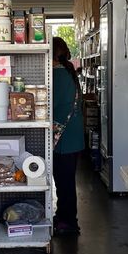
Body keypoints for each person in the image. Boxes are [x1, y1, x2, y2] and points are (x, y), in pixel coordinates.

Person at [52, 36, 84, 235]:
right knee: (67, 181)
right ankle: (65, 216)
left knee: (63, 182)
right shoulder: (68, 73)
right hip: (72, 137)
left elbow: (51, 107)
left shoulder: (56, 76)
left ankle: (68, 222)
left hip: (63, 139)